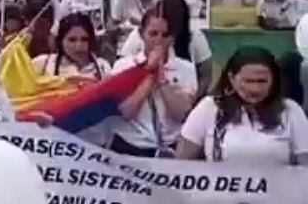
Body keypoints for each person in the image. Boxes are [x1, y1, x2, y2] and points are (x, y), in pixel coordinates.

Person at [176, 47, 308, 164]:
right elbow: (181, 163)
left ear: (273, 80)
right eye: (248, 81)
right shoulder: (208, 108)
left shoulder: (291, 111)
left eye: (262, 81)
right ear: (232, 79)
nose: (255, 89)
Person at [110, 10, 198, 158]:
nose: (159, 40)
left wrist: (162, 78)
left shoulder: (186, 68)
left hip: (171, 145)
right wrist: (148, 75)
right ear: (141, 33)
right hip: (132, 145)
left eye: (165, 35)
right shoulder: (123, 66)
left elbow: (182, 114)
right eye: (153, 34)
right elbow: (124, 112)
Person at [33, 13, 114, 145]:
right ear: (61, 40)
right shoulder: (43, 64)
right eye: (72, 40)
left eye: (84, 39)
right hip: (53, 143)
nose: (79, 46)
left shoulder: (103, 67)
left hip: (95, 146)